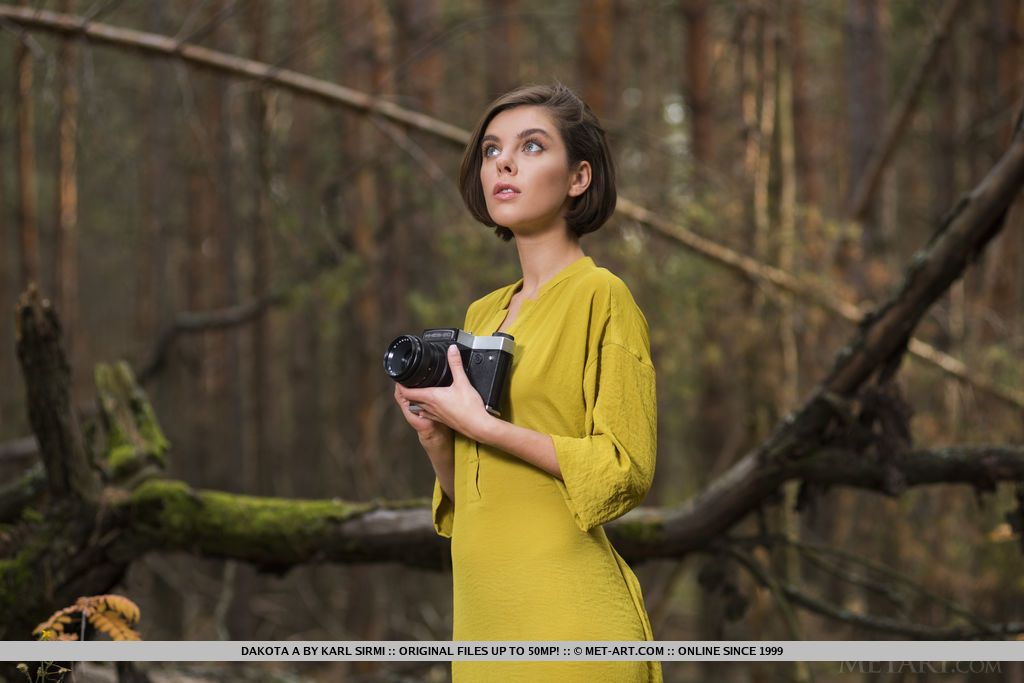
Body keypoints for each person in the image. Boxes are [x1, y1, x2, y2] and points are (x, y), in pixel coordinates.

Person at [393, 83, 661, 683]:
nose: (503, 163)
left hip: (569, 620)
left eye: (531, 146)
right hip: (483, 623)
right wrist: (438, 439)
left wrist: (484, 425)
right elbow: (476, 494)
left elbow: (625, 468)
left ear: (579, 178)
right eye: (491, 151)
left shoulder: (602, 297)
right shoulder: (482, 314)